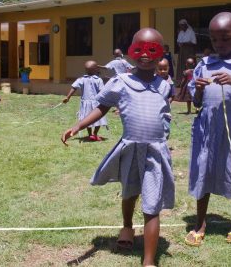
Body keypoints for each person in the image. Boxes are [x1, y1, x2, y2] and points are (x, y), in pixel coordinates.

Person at [61, 28, 174, 267]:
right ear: (131, 51)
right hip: (131, 147)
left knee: (152, 205)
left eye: (152, 49)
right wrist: (79, 126)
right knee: (130, 192)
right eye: (139, 48)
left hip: (155, 152)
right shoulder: (120, 82)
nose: (145, 54)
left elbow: (163, 113)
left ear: (161, 54)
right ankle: (126, 227)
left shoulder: (164, 86)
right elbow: (101, 107)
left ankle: (149, 261)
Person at [185, 12, 231, 246]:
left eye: (225, 38)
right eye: (215, 40)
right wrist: (197, 88)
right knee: (203, 168)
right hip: (206, 127)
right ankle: (200, 222)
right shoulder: (204, 64)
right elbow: (196, 102)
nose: (220, 44)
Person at [63, 60, 108, 141]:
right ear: (96, 70)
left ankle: (90, 134)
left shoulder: (81, 79)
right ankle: (94, 134)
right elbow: (102, 91)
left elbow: (74, 87)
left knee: (86, 119)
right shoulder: (98, 80)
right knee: (98, 118)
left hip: (86, 104)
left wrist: (68, 97)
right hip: (96, 103)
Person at [176, 19, 197, 83]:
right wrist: (179, 43)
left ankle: (190, 81)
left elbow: (194, 42)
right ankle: (180, 81)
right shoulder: (181, 32)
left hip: (189, 51)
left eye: (182, 25)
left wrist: (185, 43)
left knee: (189, 65)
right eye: (180, 26)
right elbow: (178, 41)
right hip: (182, 51)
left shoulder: (191, 32)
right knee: (181, 66)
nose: (181, 27)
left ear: (186, 25)